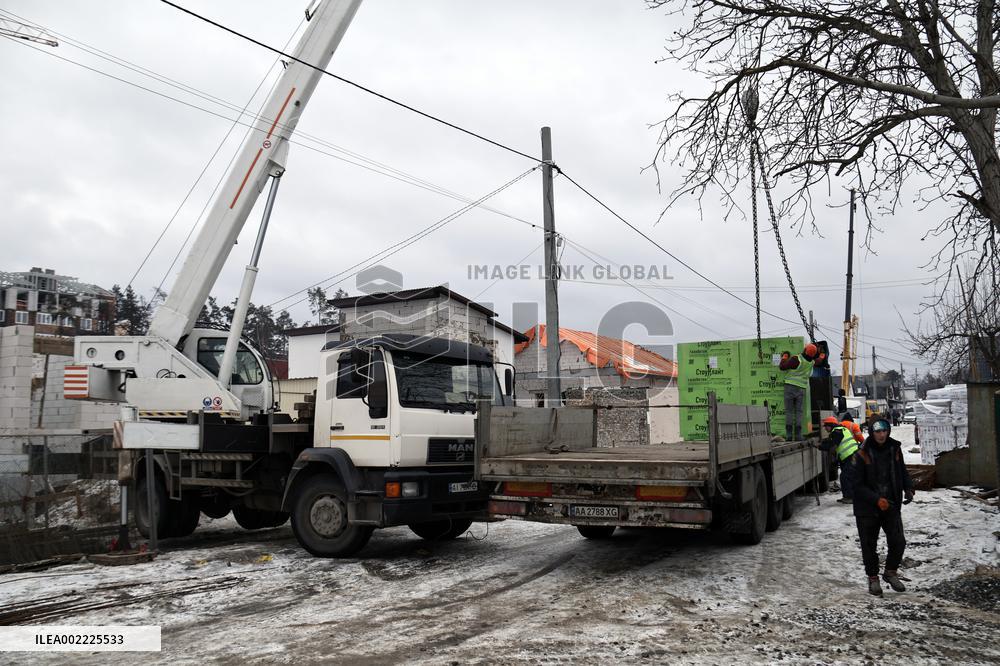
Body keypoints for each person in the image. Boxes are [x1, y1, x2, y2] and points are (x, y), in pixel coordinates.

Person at [852, 418, 915, 596]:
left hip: (891, 504)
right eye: (877, 431)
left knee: (898, 541)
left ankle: (890, 572)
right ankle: (873, 578)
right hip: (867, 509)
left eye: (884, 431)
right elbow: (856, 485)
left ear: (888, 431)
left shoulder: (894, 449)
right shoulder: (861, 453)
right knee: (869, 545)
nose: (881, 434)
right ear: (872, 433)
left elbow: (901, 470)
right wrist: (875, 499)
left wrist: (908, 487)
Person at [779, 343, 824, 440]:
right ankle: (798, 435)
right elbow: (819, 361)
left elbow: (782, 367)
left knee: (789, 411)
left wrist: (784, 357)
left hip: (790, 387)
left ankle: (789, 435)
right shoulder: (811, 362)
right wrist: (822, 356)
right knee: (799, 412)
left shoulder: (796, 359)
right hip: (801, 389)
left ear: (805, 350)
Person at [818, 416, 858, 503]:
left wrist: (819, 446)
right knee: (848, 477)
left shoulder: (837, 431)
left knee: (845, 477)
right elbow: (832, 441)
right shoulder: (840, 430)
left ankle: (850, 497)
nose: (825, 428)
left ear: (831, 425)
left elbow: (832, 443)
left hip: (852, 456)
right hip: (850, 456)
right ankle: (848, 496)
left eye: (826, 426)